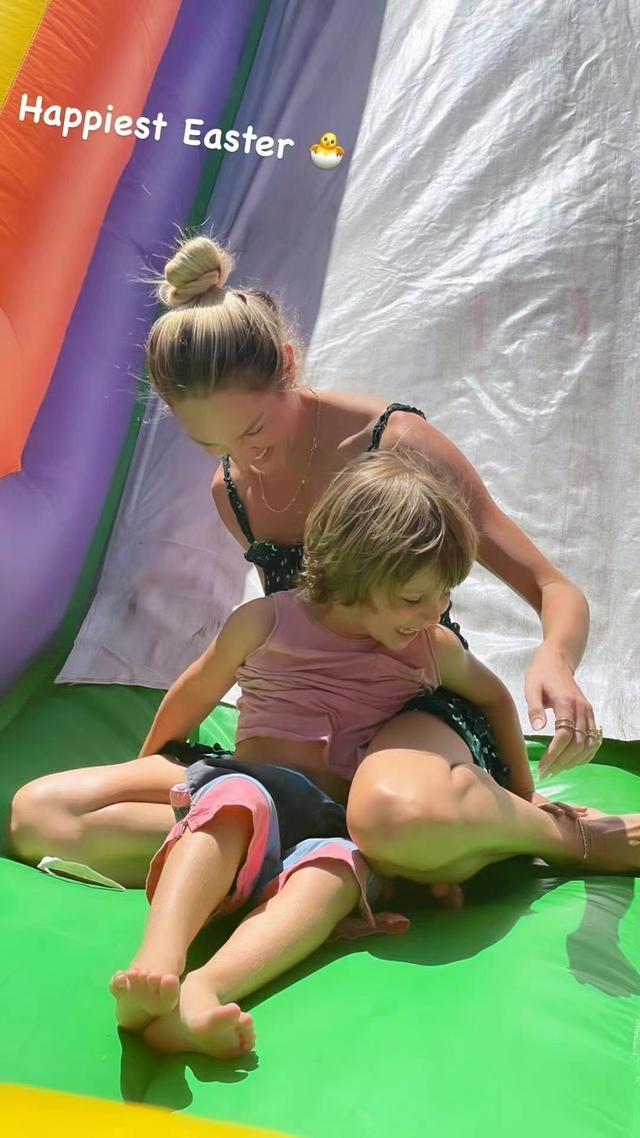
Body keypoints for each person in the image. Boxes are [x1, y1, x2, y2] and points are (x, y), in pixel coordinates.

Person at [10, 234, 601, 889]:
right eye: (213, 444)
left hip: (414, 706)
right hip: (307, 734)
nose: (246, 458)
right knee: (40, 817)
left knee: (399, 811)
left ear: (289, 365)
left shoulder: (395, 444)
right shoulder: (231, 491)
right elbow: (284, 634)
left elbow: (551, 584)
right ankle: (317, 843)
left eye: (254, 430)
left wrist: (556, 660)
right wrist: (157, 769)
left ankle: (558, 833)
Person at [108, 447, 638, 1060]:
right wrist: (154, 762)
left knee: (335, 875)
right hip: (260, 790)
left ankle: (207, 990)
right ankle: (161, 959)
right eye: (414, 598)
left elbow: (494, 697)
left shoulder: (427, 646)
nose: (434, 612)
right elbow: (197, 688)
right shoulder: (264, 621)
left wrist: (523, 793)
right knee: (228, 807)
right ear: (353, 577)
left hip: (337, 822)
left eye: (444, 595)